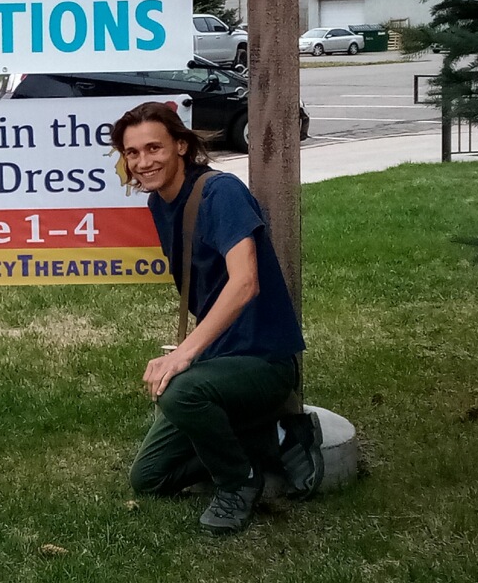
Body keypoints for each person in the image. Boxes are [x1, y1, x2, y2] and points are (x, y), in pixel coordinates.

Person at [110, 102, 324, 534]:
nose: (143, 162)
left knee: (181, 393)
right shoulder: (159, 203)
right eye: (132, 153)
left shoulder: (220, 192)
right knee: (149, 478)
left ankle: (239, 483)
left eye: (154, 148)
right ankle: (272, 440)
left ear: (182, 147)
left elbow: (245, 282)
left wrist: (184, 354)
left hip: (263, 360)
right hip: (220, 356)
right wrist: (193, 352)